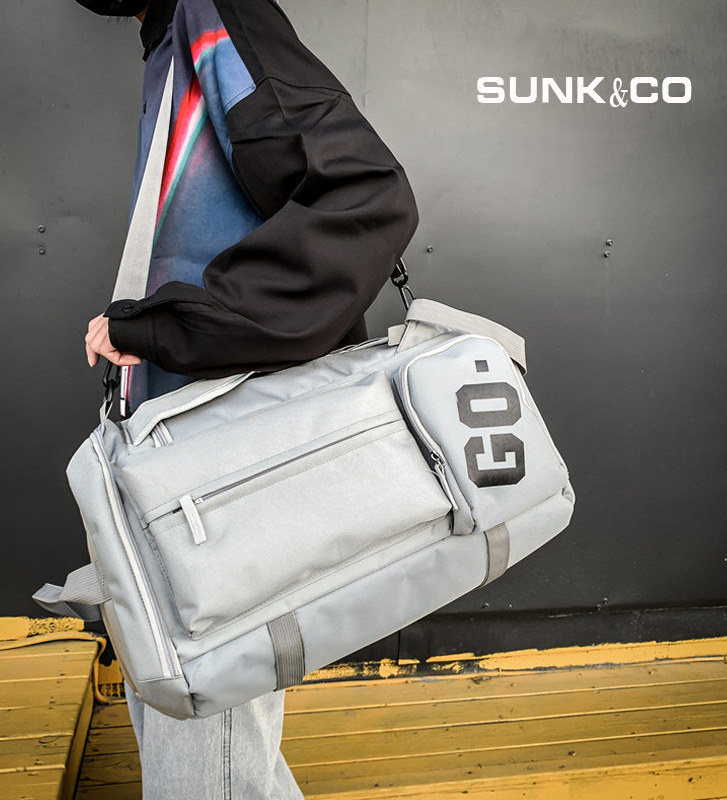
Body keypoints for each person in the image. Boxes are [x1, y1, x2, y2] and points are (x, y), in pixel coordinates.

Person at [78, 0, 419, 796]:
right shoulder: (172, 37)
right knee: (218, 752)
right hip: (186, 472)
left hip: (219, 484)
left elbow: (364, 195)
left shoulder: (214, 13)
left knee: (208, 754)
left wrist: (170, 328)